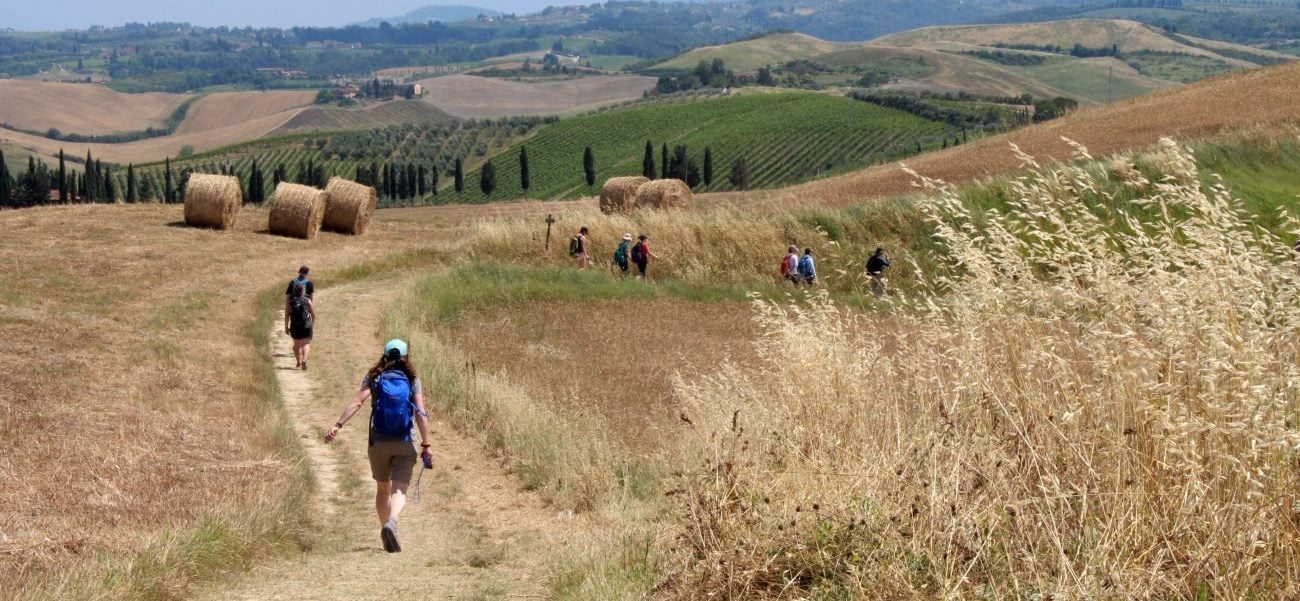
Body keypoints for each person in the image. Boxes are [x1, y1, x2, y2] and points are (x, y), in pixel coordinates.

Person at [323, 339, 432, 554]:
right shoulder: (412, 379)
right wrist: (426, 444)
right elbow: (420, 412)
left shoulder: (374, 377)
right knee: (399, 488)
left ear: (384, 355)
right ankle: (393, 521)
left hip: (378, 443)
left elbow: (357, 402)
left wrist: (338, 425)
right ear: (406, 356)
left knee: (383, 488)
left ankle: (386, 529)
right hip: (404, 442)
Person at [284, 283, 315, 369]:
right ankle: (304, 360)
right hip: (306, 325)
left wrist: (286, 327)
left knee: (296, 346)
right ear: (303, 291)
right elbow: (313, 314)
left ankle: (299, 362)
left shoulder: (290, 302)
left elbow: (286, 315)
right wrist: (312, 324)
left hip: (295, 326)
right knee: (306, 344)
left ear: (294, 291)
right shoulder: (307, 300)